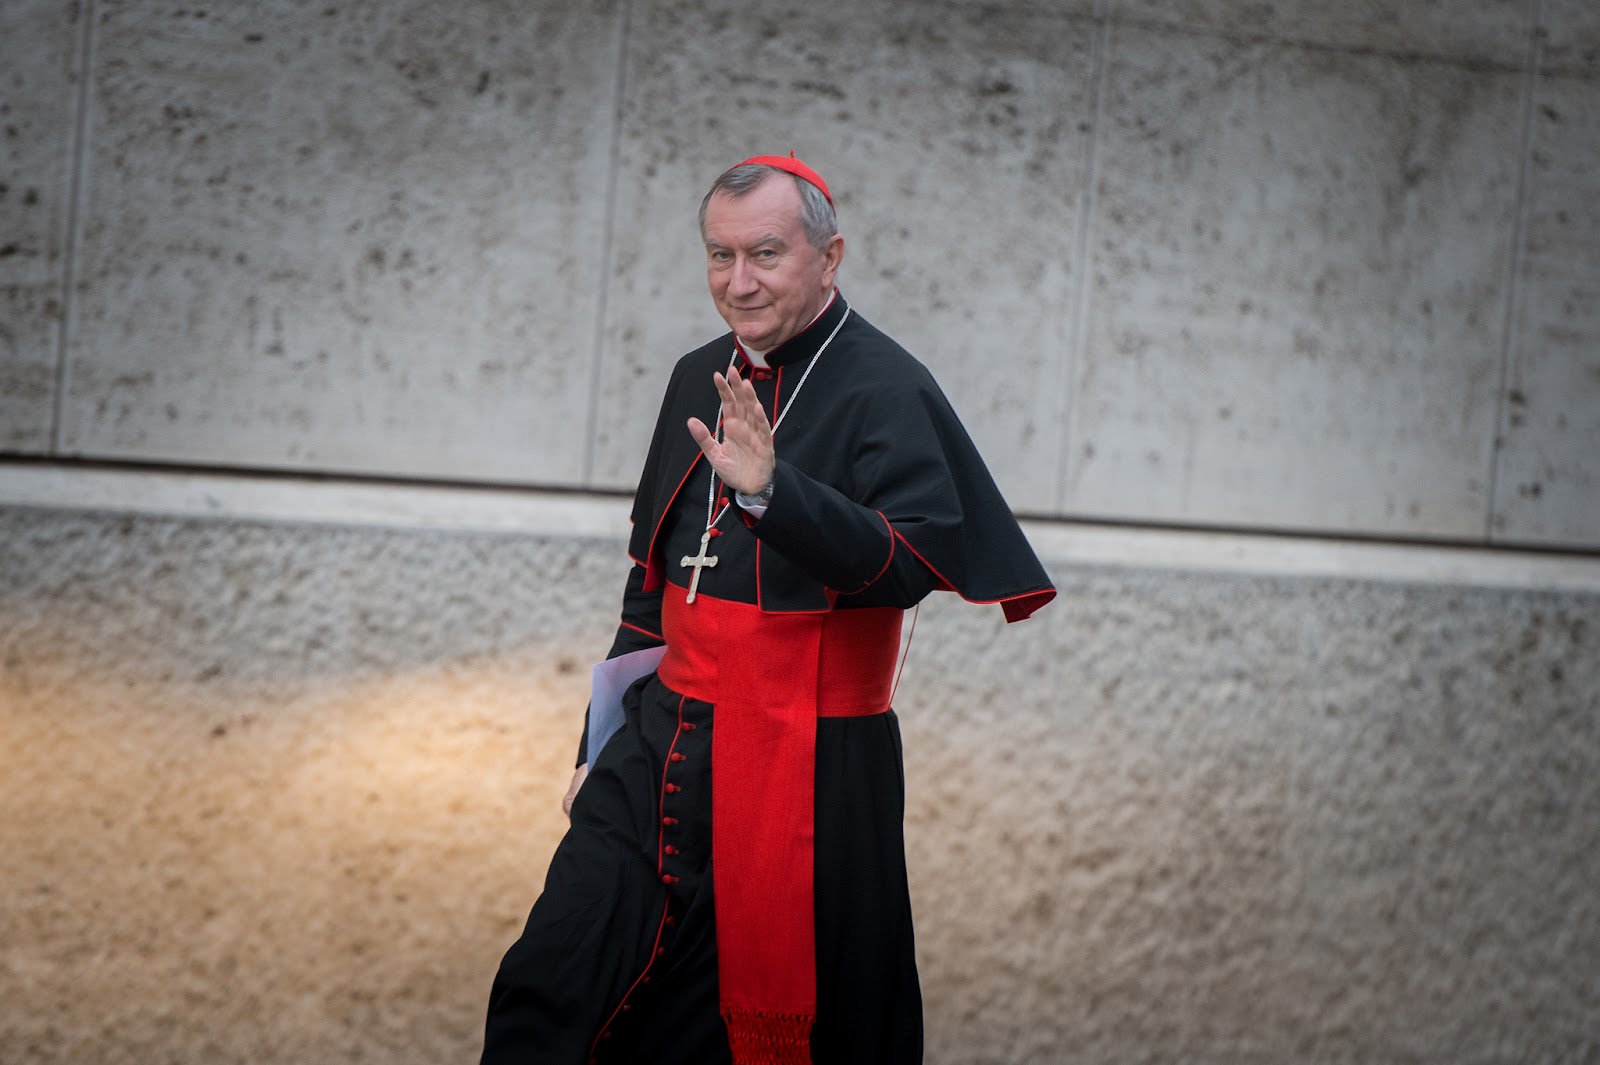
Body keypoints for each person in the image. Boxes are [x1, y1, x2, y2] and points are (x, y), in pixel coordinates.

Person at [480, 154, 1055, 1065]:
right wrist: (595, 748)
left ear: (829, 258)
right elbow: (650, 586)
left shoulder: (886, 386)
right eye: (720, 256)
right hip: (659, 743)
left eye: (766, 255)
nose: (738, 283)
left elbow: (911, 561)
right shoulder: (694, 376)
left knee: (754, 1038)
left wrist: (774, 496)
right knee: (547, 990)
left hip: (812, 761)